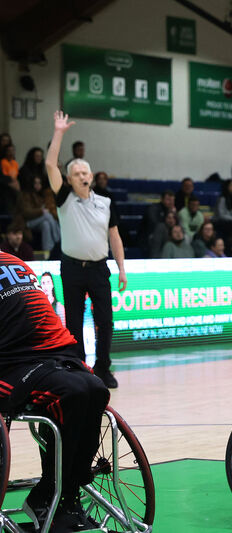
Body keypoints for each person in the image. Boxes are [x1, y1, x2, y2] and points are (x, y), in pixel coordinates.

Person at [0, 250, 109, 531]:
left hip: (51, 351)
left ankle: (68, 491)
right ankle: (49, 493)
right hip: (11, 362)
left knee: (96, 388)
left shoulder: (13, 261)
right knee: (70, 393)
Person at [46, 110, 127, 389]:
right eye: (76, 173)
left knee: (105, 321)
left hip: (98, 268)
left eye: (85, 172)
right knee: (75, 323)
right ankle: (79, 366)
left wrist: (122, 269)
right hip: (71, 268)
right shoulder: (64, 199)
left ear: (91, 175)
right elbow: (50, 165)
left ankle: (103, 368)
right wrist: (59, 132)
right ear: (69, 179)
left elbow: (115, 238)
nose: (81, 176)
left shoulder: (105, 202)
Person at [18, 175, 61, 254]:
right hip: (27, 222)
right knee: (47, 215)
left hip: (38, 221)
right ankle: (58, 238)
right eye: (35, 183)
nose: (38, 185)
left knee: (46, 224)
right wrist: (41, 211)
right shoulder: (25, 195)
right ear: (31, 184)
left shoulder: (39, 195)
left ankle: (48, 251)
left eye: (39, 183)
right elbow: (26, 213)